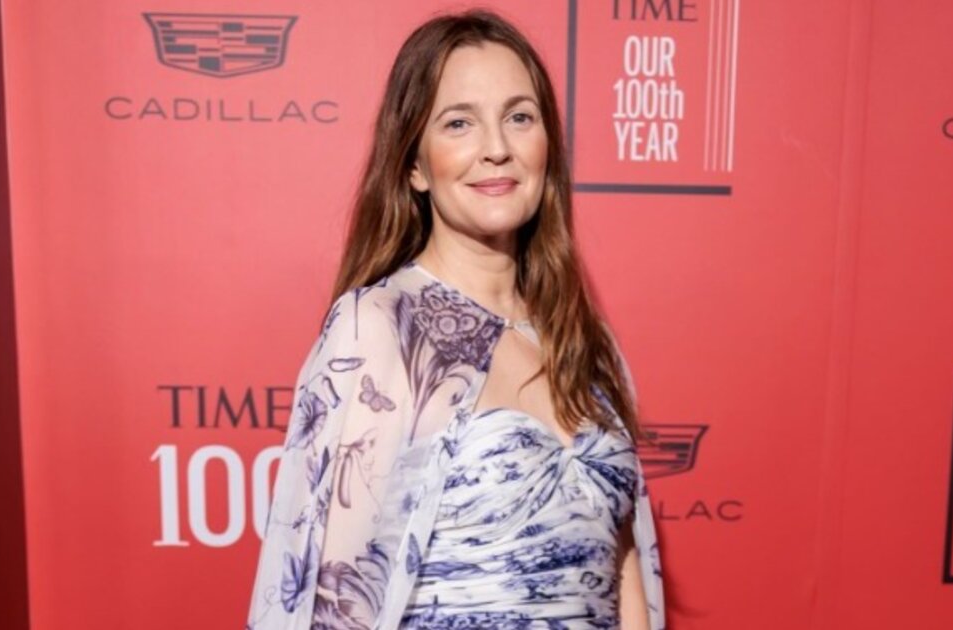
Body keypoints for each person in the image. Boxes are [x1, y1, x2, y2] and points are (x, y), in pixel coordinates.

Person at [247, 9, 664, 629]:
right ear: (414, 165)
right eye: (459, 123)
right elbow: (335, 599)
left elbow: (625, 565)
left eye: (519, 117)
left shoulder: (585, 337)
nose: (496, 148)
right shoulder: (380, 326)